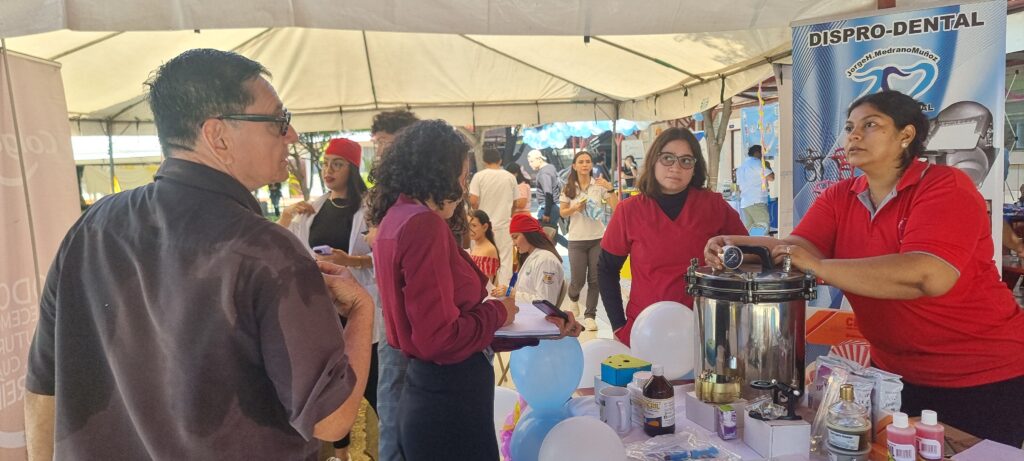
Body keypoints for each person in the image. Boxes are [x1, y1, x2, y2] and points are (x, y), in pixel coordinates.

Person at [24, 49, 373, 460]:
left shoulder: (92, 227)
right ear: (217, 135)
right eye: (279, 121)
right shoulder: (267, 252)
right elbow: (331, 419)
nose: (291, 135)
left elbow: (42, 388)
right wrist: (362, 312)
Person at [705, 90, 1024, 447]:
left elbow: (928, 275)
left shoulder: (945, 186)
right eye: (849, 127)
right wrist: (735, 246)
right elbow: (795, 250)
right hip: (894, 376)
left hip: (983, 375)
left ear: (906, 135)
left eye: (870, 125)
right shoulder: (840, 196)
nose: (854, 135)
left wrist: (819, 266)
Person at [367, 120, 580, 461]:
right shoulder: (423, 224)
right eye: (463, 177)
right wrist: (497, 311)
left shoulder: (397, 218)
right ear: (439, 173)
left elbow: (450, 328)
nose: (464, 188)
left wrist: (540, 329)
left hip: (433, 394)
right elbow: (439, 338)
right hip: (450, 403)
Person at [598, 127, 747, 346]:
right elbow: (606, 269)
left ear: (695, 167)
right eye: (667, 158)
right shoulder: (629, 211)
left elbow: (747, 254)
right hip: (644, 330)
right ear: (653, 160)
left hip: (704, 331)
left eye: (686, 161)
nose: (675, 168)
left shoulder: (713, 206)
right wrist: (618, 325)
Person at [278, 137, 379, 459]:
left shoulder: (369, 209)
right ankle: (341, 452)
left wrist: (351, 261)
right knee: (330, 381)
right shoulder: (313, 209)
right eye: (325, 163)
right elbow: (285, 251)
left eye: (337, 164)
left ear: (352, 168)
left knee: (371, 378)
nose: (328, 170)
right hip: (322, 307)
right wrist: (286, 217)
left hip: (358, 305)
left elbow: (383, 257)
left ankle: (389, 444)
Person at [367, 108, 419, 461]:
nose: (379, 152)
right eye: (376, 144)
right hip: (392, 308)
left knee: (405, 399)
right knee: (391, 399)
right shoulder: (384, 194)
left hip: (414, 308)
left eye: (384, 143)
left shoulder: (420, 194)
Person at [559, 151, 619, 331]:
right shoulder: (568, 188)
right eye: (581, 162)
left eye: (587, 161)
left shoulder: (599, 185)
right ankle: (573, 297)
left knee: (595, 280)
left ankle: (590, 315)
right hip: (576, 240)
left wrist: (610, 189)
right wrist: (575, 208)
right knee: (577, 280)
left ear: (591, 165)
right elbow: (562, 212)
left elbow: (617, 208)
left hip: (597, 239)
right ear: (574, 166)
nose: (585, 164)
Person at [492, 214, 566, 307]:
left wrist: (511, 293)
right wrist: (505, 292)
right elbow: (524, 290)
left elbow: (546, 303)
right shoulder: (530, 256)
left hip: (533, 315)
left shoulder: (546, 261)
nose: (513, 244)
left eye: (515, 237)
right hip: (523, 311)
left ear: (528, 234)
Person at [469, 147, 518, 285]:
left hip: (482, 227)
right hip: (504, 225)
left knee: (481, 259)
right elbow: (516, 203)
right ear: (500, 160)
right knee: (505, 259)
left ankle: (484, 289)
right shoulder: (510, 177)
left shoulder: (479, 176)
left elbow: (473, 201)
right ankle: (504, 290)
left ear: (484, 161)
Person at [527, 149, 564, 245]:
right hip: (554, 205)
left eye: (531, 161)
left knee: (545, 234)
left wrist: (546, 213)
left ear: (539, 159)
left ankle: (570, 247)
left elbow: (548, 193)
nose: (530, 164)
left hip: (548, 207)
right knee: (550, 234)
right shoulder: (550, 168)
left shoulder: (544, 173)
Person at [735, 144, 773, 232]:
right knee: (762, 231)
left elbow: (739, 187)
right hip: (757, 201)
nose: (763, 157)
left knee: (750, 233)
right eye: (762, 154)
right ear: (757, 153)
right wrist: (767, 166)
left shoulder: (741, 167)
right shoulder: (757, 163)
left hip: (745, 203)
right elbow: (771, 177)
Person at [469, 209, 501, 284]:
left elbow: (487, 284)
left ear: (485, 227)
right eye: (468, 225)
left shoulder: (489, 250)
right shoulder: (475, 246)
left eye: (474, 225)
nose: (470, 229)